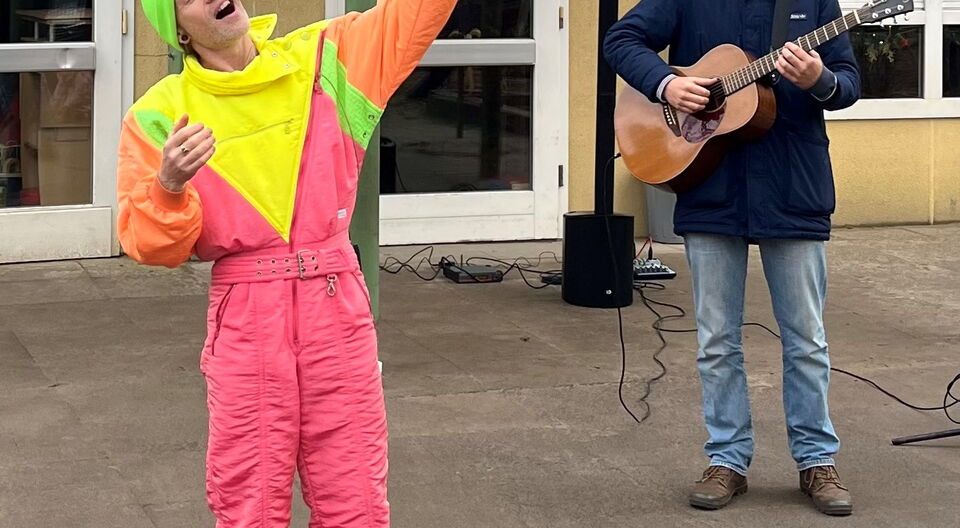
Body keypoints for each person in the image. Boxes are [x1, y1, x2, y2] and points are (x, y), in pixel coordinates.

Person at [119, 1, 456, 526]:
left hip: (336, 309)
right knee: (247, 499)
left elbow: (417, 12)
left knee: (357, 498)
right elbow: (148, 244)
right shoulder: (158, 113)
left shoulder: (325, 58)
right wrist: (168, 187)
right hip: (246, 316)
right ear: (178, 29)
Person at [604, 0, 861, 516]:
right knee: (717, 339)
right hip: (711, 185)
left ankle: (816, 460)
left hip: (794, 186)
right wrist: (667, 85)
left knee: (806, 339)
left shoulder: (812, 2)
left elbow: (848, 84)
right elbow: (620, 40)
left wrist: (819, 80)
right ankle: (727, 460)